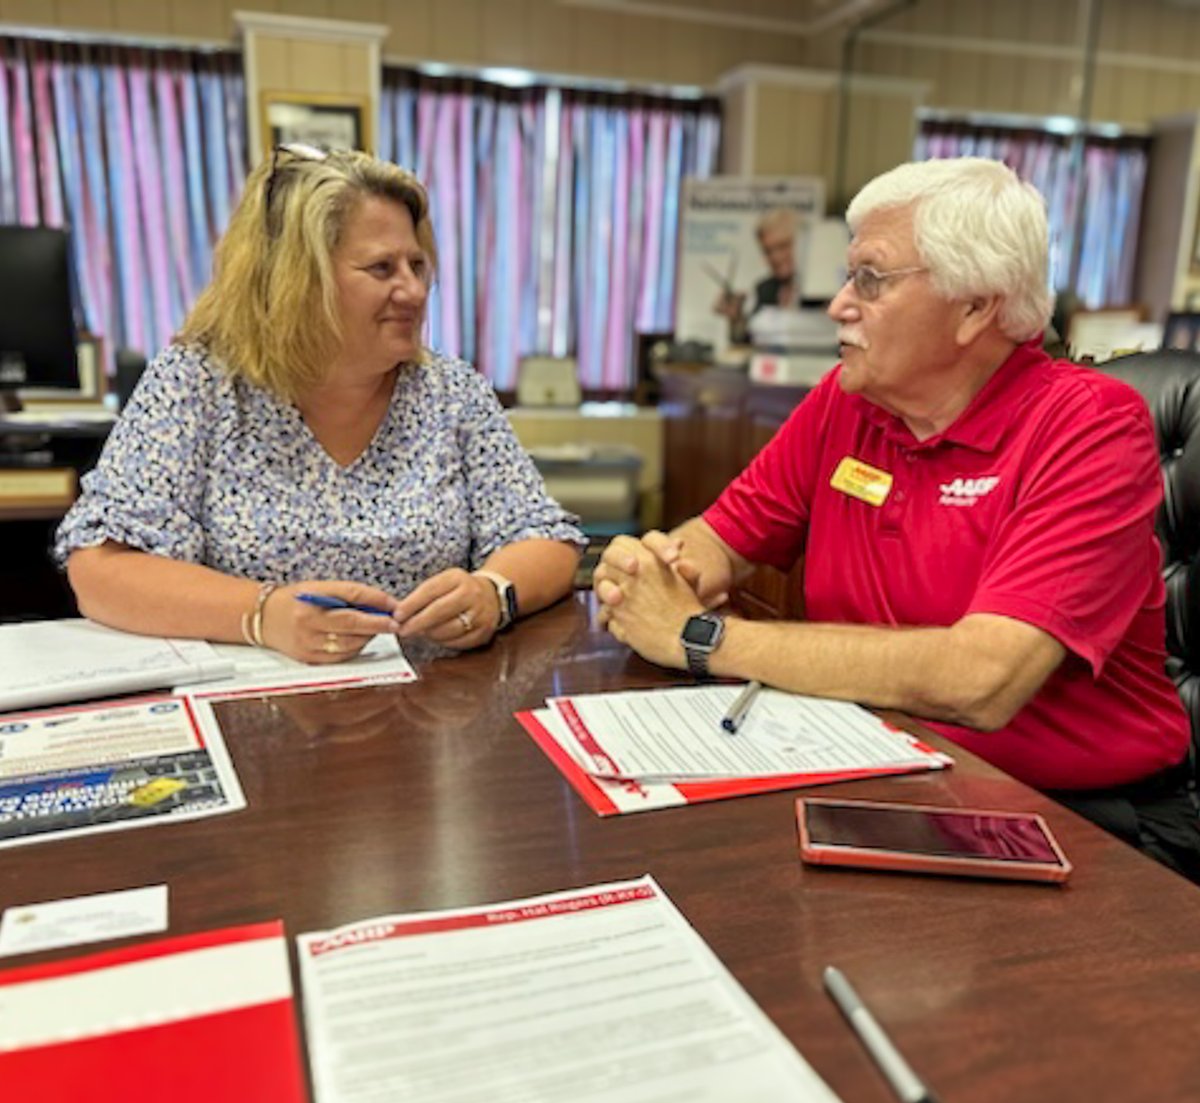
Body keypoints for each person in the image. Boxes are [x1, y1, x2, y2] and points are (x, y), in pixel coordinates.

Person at [596, 156, 1200, 881]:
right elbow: (713, 542)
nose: (838, 305)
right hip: (876, 775)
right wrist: (652, 572)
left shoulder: (1090, 425)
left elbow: (980, 679)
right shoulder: (848, 401)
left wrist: (699, 636)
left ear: (975, 305)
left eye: (871, 280)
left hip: (1079, 821)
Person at [56, 146, 585, 663]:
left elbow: (545, 537)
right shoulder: (197, 381)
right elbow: (102, 568)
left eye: (416, 265)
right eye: (382, 269)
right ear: (297, 282)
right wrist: (262, 616)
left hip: (429, 703)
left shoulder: (451, 391)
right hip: (251, 700)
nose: (415, 291)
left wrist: (493, 592)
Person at [713, 208, 801, 344]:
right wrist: (736, 319)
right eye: (768, 251)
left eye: (783, 246)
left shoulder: (829, 292)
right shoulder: (765, 290)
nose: (776, 257)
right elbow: (748, 343)